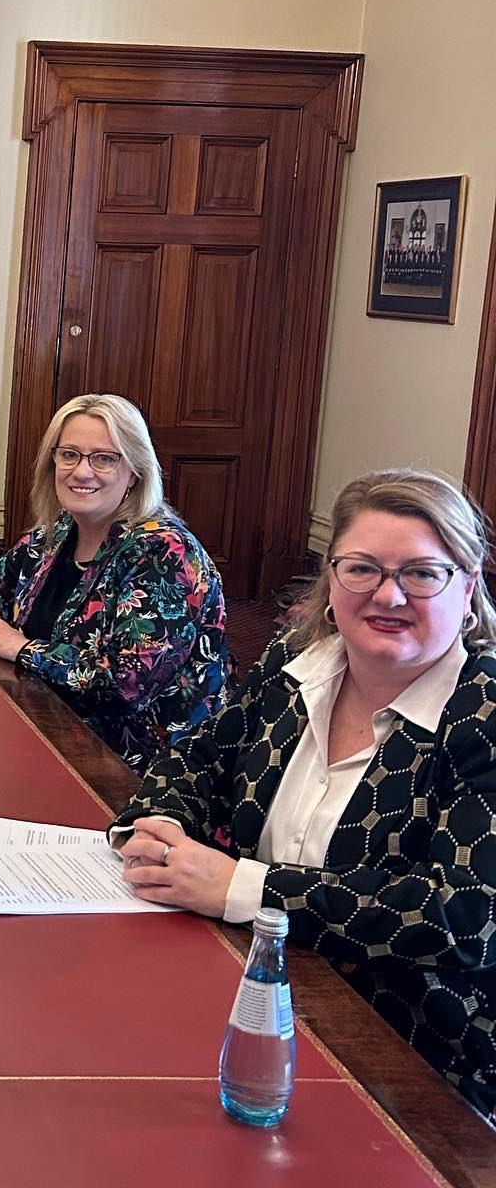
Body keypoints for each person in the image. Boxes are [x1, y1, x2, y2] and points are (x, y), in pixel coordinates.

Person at [113, 469, 496, 1120]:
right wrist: (160, 825)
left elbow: (463, 921)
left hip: (415, 1060)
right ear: (331, 578)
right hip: (252, 998)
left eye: (422, 574)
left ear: (467, 589)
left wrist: (245, 889)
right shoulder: (296, 662)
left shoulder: (482, 716)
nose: (388, 594)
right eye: (363, 569)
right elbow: (204, 753)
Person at [0, 393, 226, 769]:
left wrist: (18, 646)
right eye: (69, 455)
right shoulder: (58, 532)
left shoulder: (165, 552)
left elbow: (125, 684)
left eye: (104, 458)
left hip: (140, 771)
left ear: (134, 471)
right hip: (46, 729)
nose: (82, 472)